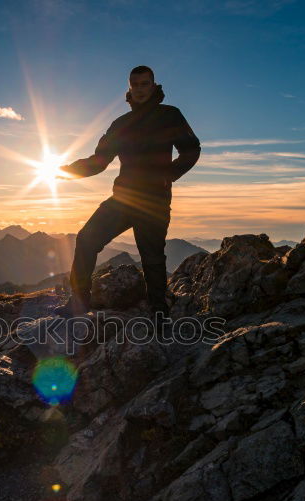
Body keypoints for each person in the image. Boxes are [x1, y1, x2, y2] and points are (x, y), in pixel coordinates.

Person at [54, 65, 200, 319]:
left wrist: (169, 176)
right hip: (123, 198)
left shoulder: (170, 115)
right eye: (135, 85)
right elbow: (99, 162)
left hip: (154, 198)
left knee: (151, 254)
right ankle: (79, 302)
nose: (140, 89)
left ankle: (158, 309)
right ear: (129, 88)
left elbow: (191, 150)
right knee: (87, 238)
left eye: (145, 84)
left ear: (153, 86)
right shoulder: (120, 124)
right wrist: (67, 171)